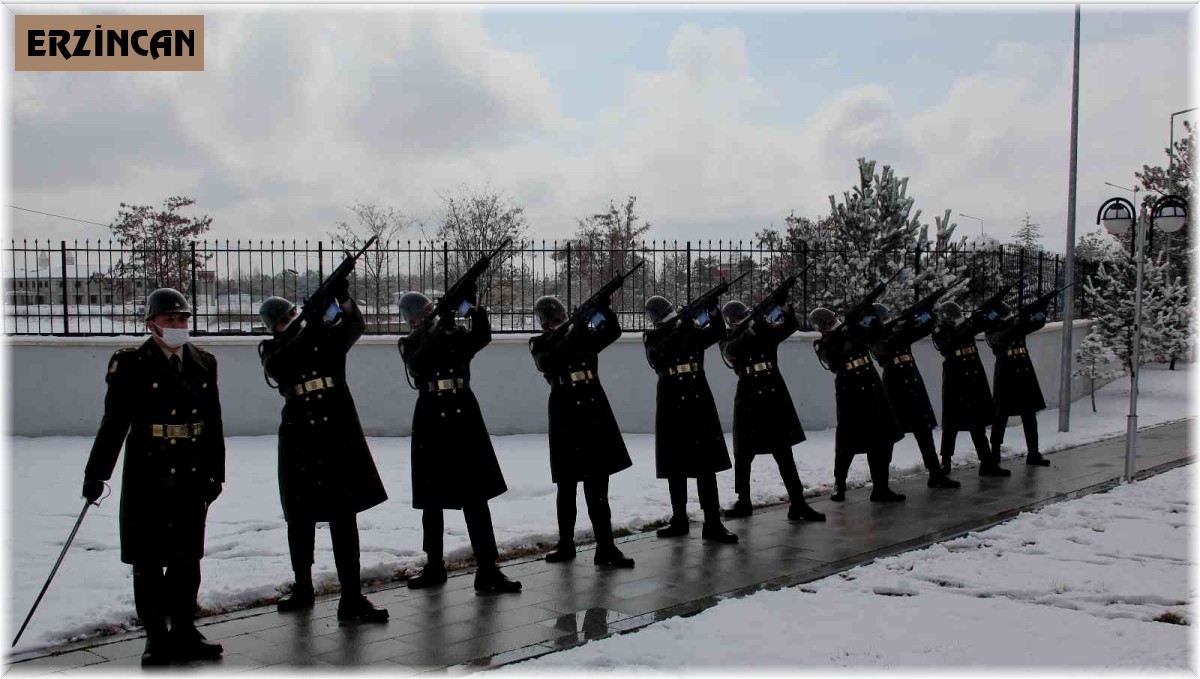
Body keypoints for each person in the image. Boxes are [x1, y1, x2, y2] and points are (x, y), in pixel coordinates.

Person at [82, 288, 225, 665]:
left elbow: (213, 421)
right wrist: (96, 473)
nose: (178, 325)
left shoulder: (203, 361)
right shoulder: (132, 362)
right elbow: (114, 422)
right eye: (169, 319)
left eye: (183, 319)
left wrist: (216, 473)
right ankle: (156, 636)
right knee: (147, 560)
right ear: (152, 324)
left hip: (192, 470)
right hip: (149, 468)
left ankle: (183, 628)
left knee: (187, 557)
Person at [257, 283, 389, 623]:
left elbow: (355, 327)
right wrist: (312, 323)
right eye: (285, 319)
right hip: (301, 435)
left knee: (343, 516)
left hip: (336, 432)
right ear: (275, 326)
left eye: (293, 314)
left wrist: (342, 300)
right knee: (300, 516)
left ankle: (351, 596)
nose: (292, 320)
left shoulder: (325, 337)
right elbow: (283, 365)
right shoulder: (272, 349)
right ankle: (303, 586)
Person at [397, 287, 522, 593]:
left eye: (429, 311)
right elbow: (420, 363)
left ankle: (488, 568)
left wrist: (472, 306)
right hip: (431, 417)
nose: (426, 316)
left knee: (475, 495)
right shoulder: (410, 342)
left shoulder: (452, 334)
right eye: (421, 315)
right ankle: (434, 565)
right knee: (432, 499)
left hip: (462, 413)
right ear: (412, 321)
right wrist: (440, 325)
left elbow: (481, 337)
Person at [529, 295, 636, 568]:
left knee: (598, 484)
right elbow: (552, 361)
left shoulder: (581, 334)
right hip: (566, 412)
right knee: (567, 485)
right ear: (544, 324)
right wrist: (575, 327)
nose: (559, 322)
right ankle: (566, 544)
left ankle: (606, 547)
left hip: (592, 408)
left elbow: (612, 331)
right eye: (553, 320)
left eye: (561, 317)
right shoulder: (540, 343)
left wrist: (603, 309)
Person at [641, 295, 738, 543]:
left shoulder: (690, 329)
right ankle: (679, 519)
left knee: (706, 465)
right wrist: (680, 328)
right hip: (672, 400)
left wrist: (713, 310)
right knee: (676, 465)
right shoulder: (653, 337)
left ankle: (713, 523)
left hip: (697, 397)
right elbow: (658, 357)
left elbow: (716, 333)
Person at [718, 300, 825, 522]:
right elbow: (731, 352)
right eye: (738, 318)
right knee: (744, 454)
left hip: (772, 391)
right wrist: (753, 327)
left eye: (743, 315)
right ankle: (743, 502)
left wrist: (788, 312)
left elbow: (788, 328)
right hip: (748, 394)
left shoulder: (763, 331)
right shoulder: (730, 338)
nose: (742, 320)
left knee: (784, 451)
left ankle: (798, 503)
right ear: (731, 322)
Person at [810, 307, 906, 503]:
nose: (833, 323)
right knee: (847, 440)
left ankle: (881, 487)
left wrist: (865, 318)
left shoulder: (852, 331)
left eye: (833, 319)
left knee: (880, 438)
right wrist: (850, 331)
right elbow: (836, 355)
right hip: (850, 390)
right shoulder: (822, 343)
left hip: (871, 385)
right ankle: (839, 484)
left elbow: (876, 332)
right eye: (828, 322)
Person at [867, 303, 960, 490]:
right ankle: (881, 485)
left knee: (924, 430)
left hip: (912, 380)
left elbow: (922, 331)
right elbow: (888, 346)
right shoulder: (873, 337)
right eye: (882, 318)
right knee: (890, 434)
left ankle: (936, 474)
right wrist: (907, 325)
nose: (885, 321)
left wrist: (927, 315)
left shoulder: (896, 332)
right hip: (894, 384)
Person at [931, 301, 1011, 477]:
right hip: (955, 377)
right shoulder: (940, 331)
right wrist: (969, 324)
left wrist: (990, 313)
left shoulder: (967, 326)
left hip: (973, 375)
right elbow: (951, 342)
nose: (957, 320)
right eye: (954, 317)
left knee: (977, 423)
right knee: (951, 423)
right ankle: (945, 462)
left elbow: (984, 325)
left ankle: (987, 463)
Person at [985, 301, 1052, 466]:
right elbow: (1003, 337)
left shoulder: (1017, 325)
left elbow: (1035, 324)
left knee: (1029, 414)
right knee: (1001, 415)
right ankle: (995, 454)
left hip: (1023, 369)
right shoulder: (992, 330)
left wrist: (1041, 311)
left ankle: (1033, 452)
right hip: (1006, 371)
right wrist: (1017, 323)